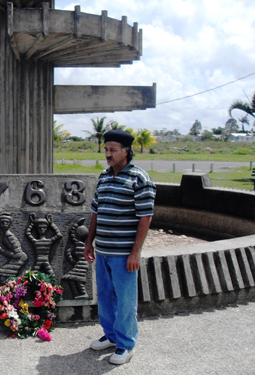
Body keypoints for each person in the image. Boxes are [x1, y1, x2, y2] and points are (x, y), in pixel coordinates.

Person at [84, 129, 156, 365]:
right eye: (106, 149)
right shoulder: (103, 177)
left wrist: (135, 252)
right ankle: (111, 336)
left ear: (126, 151)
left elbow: (145, 217)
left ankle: (126, 345)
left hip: (124, 254)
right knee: (105, 297)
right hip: (103, 250)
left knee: (125, 300)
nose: (108, 154)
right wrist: (90, 242)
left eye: (113, 150)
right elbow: (96, 211)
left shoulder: (140, 179)